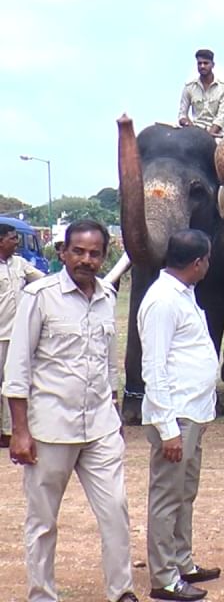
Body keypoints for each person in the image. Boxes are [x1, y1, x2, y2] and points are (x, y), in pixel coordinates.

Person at [3, 220, 138, 602]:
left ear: (104, 256)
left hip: (99, 427)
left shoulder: (107, 297)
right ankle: (42, 594)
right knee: (42, 522)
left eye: (95, 253)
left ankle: (121, 591)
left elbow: (108, 364)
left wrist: (113, 409)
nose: (86, 259)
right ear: (62, 252)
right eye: (78, 251)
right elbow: (18, 367)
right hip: (49, 429)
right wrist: (20, 431)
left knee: (115, 511)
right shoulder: (39, 296)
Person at [139, 230, 223, 601]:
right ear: (198, 262)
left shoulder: (182, 294)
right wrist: (167, 429)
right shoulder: (162, 301)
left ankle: (182, 562)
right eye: (208, 259)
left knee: (185, 493)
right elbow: (153, 369)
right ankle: (164, 578)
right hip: (175, 419)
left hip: (193, 414)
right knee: (167, 497)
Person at [1, 222, 44, 444]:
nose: (16, 242)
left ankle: (8, 431)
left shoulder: (20, 264)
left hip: (15, 334)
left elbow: (43, 281)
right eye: (12, 238)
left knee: (12, 382)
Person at [178, 49, 224, 138]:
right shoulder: (189, 87)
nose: (202, 66)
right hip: (194, 132)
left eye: (206, 63)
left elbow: (220, 118)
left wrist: (207, 137)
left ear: (212, 65)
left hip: (217, 135)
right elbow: (182, 115)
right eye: (199, 63)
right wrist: (191, 129)